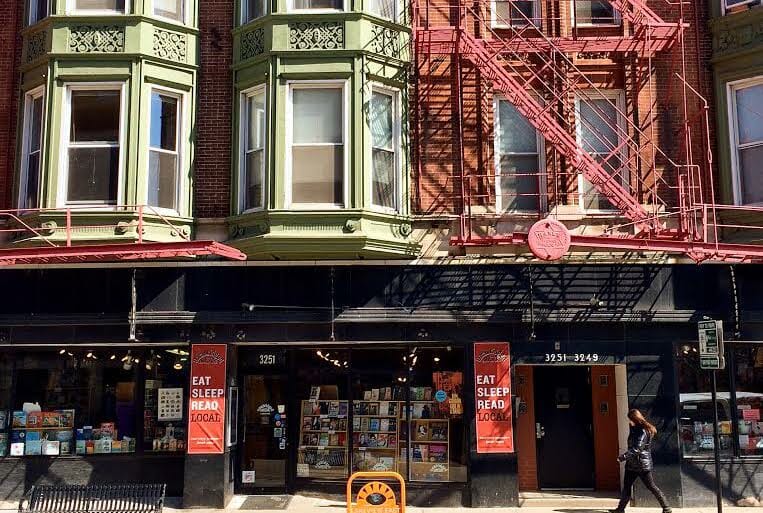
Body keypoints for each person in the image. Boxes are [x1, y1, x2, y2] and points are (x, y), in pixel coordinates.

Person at [611, 409, 671, 513]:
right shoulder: (636, 429)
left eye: (630, 419)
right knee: (627, 487)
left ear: (634, 419)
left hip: (641, 464)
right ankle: (620, 509)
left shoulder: (642, 431)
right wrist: (632, 427)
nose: (629, 421)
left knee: (651, 486)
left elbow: (637, 448)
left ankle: (666, 507)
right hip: (632, 464)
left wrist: (622, 457)